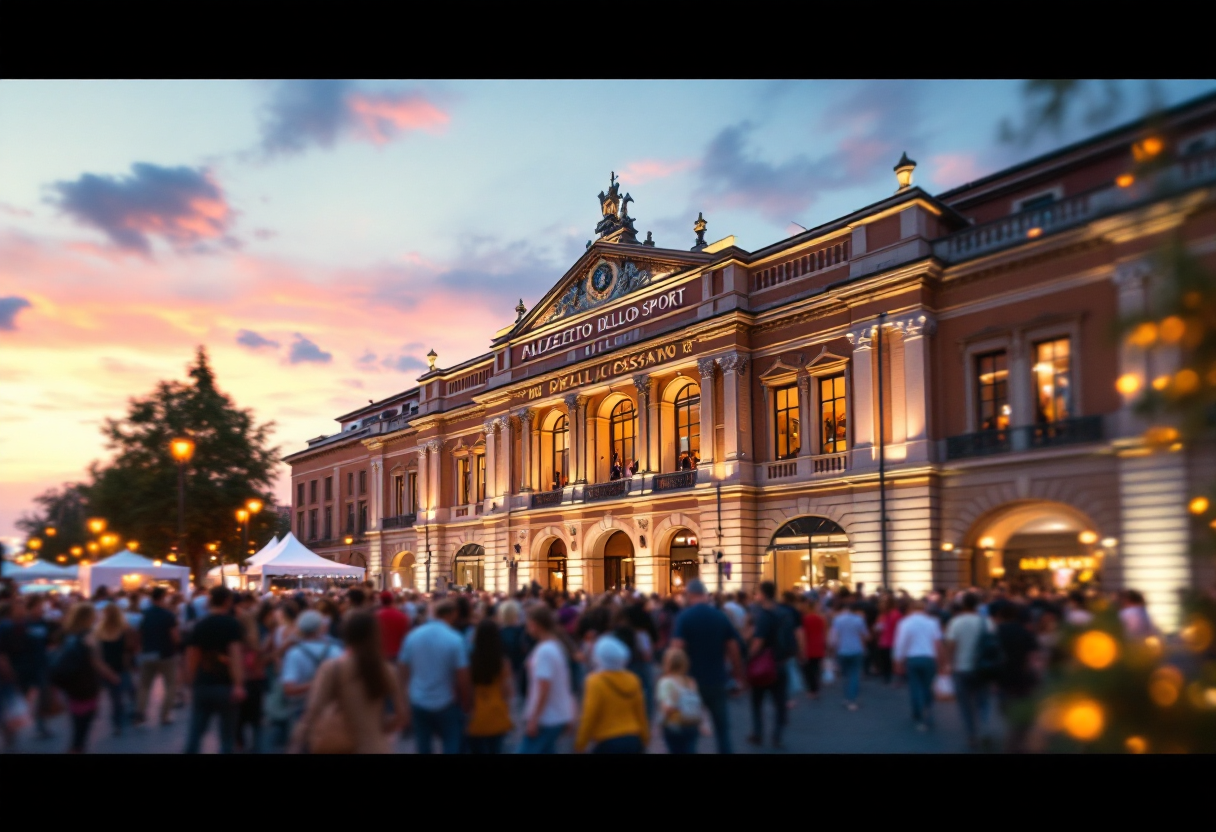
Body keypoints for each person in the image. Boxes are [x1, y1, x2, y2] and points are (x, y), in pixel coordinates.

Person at [294, 611, 405, 753]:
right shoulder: (386, 669)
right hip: (376, 746)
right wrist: (381, 728)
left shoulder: (333, 668)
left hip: (342, 745)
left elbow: (313, 711)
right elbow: (401, 715)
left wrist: (297, 741)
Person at [671, 578, 744, 754]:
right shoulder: (720, 616)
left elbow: (677, 647)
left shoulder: (685, 617)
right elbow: (733, 647)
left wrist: (673, 677)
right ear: (704, 594)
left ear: (690, 595)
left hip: (691, 682)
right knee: (722, 730)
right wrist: (737, 674)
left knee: (691, 731)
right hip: (717, 679)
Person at [397, 598, 470, 754]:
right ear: (453, 614)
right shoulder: (455, 639)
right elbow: (462, 676)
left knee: (423, 745)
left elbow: (402, 672)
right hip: (447, 701)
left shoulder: (413, 636)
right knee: (451, 744)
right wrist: (466, 702)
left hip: (418, 699)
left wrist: (404, 701)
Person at [183, 586, 246, 754]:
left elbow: (191, 657)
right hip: (226, 685)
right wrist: (239, 684)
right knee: (227, 736)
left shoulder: (200, 625)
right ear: (227, 601)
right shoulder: (232, 624)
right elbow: (235, 656)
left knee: (196, 731)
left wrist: (191, 683)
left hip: (203, 683)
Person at [52, 603, 118, 753]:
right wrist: (111, 675)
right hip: (85, 683)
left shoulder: (66, 634)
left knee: (78, 723)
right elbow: (95, 661)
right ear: (88, 617)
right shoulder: (88, 636)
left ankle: (77, 747)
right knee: (82, 726)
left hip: (71, 683)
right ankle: (76, 748)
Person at [575, 636, 648, 753]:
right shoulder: (633, 679)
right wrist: (645, 737)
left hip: (607, 739)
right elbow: (640, 712)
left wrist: (580, 743)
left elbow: (589, 714)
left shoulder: (594, 681)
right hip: (633, 737)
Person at [518, 604, 575, 754]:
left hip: (547, 717)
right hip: (554, 715)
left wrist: (534, 718)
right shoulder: (555, 646)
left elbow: (544, 687)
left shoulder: (545, 651)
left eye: (529, 624)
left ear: (536, 625)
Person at [747, 581, 797, 748]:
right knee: (779, 702)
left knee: (757, 702)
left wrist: (748, 658)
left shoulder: (764, 616)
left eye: (757, 593)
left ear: (763, 594)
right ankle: (777, 736)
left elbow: (757, 643)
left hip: (763, 664)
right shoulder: (785, 613)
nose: (756, 596)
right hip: (781, 662)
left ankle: (758, 733)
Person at [942, 592, 990, 749]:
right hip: (983, 668)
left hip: (961, 668)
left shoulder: (956, 622)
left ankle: (972, 733)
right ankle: (983, 725)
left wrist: (948, 664)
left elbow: (950, 645)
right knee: (982, 700)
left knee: (965, 705)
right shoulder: (987, 623)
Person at [992, 601, 1039, 753]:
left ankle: (1013, 744)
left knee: (1010, 714)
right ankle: (1019, 744)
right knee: (1020, 718)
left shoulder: (995, 631)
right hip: (1022, 678)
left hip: (1001, 676)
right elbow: (1033, 659)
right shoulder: (1025, 633)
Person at [892, 598, 943, 731]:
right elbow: (937, 642)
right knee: (927, 686)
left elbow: (901, 643)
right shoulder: (933, 622)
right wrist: (940, 660)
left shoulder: (905, 622)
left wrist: (898, 660)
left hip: (912, 658)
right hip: (929, 657)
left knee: (914, 686)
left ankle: (917, 712)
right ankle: (929, 711)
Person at [464, 618, 513, 753]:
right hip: (497, 713)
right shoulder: (503, 662)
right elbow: (507, 691)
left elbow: (467, 689)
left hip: (475, 714)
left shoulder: (469, 660)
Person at [134, 586, 179, 727]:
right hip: (166, 654)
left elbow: (139, 635)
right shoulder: (168, 615)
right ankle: (165, 716)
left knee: (144, 686)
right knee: (170, 685)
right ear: (163, 597)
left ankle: (140, 714)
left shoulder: (144, 614)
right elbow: (175, 637)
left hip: (148, 653)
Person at [94, 603, 134, 737]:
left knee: (115, 698)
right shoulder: (124, 629)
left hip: (106, 668)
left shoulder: (99, 630)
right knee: (127, 693)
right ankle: (125, 719)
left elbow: (97, 652)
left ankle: (118, 723)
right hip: (121, 667)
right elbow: (128, 649)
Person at [656, 647, 701, 754]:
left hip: (674, 725)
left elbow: (666, 707)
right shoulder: (691, 681)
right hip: (691, 723)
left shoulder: (665, 682)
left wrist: (660, 722)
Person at [828, 601, 869, 710]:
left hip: (842, 651)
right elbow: (865, 635)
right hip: (856, 650)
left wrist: (832, 649)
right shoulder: (859, 620)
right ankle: (852, 700)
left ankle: (847, 697)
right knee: (854, 675)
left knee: (845, 675)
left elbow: (833, 636)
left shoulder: (837, 620)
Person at [801, 596, 826, 700]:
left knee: (807, 670)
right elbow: (824, 632)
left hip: (808, 646)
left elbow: (802, 634)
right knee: (816, 668)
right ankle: (816, 688)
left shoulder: (804, 619)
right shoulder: (821, 618)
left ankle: (812, 690)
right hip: (819, 645)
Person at [873, 594, 901, 684]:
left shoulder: (883, 616)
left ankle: (887, 676)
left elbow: (878, 628)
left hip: (885, 641)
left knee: (886, 661)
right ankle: (890, 676)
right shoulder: (896, 614)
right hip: (893, 641)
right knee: (890, 660)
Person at [377, 591, 410, 664]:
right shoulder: (402, 616)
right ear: (392, 600)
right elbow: (406, 635)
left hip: (381, 653)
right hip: (398, 652)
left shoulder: (375, 616)